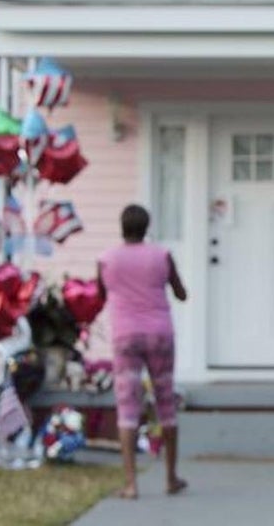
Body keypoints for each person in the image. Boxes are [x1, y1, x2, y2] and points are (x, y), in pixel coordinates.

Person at [97, 203, 188, 499]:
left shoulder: (107, 259)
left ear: (122, 227)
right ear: (146, 227)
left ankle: (131, 483)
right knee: (166, 403)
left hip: (125, 336)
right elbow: (181, 293)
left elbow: (99, 295)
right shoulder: (161, 255)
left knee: (128, 407)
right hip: (160, 334)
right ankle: (171, 477)